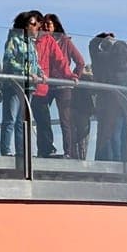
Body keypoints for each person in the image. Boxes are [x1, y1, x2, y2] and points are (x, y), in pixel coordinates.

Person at [1, 11, 43, 157]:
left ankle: (21, 152)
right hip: (14, 85)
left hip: (28, 87)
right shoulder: (14, 40)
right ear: (25, 26)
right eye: (33, 23)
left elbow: (35, 63)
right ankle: (6, 151)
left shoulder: (31, 44)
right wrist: (25, 73)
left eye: (38, 24)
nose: (37, 26)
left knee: (22, 121)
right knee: (10, 119)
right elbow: (8, 60)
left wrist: (41, 74)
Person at [43, 14, 85, 157]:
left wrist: (73, 78)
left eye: (49, 24)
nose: (46, 27)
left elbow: (80, 61)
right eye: (44, 24)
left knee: (65, 120)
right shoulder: (42, 41)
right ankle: (46, 148)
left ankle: (69, 152)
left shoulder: (66, 42)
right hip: (46, 85)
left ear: (55, 25)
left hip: (63, 86)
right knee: (42, 116)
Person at [88, 32, 127, 162]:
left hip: (105, 101)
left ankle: (105, 160)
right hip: (118, 102)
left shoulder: (99, 58)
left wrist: (102, 36)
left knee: (106, 133)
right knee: (115, 133)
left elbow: (92, 45)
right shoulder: (120, 62)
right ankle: (116, 161)